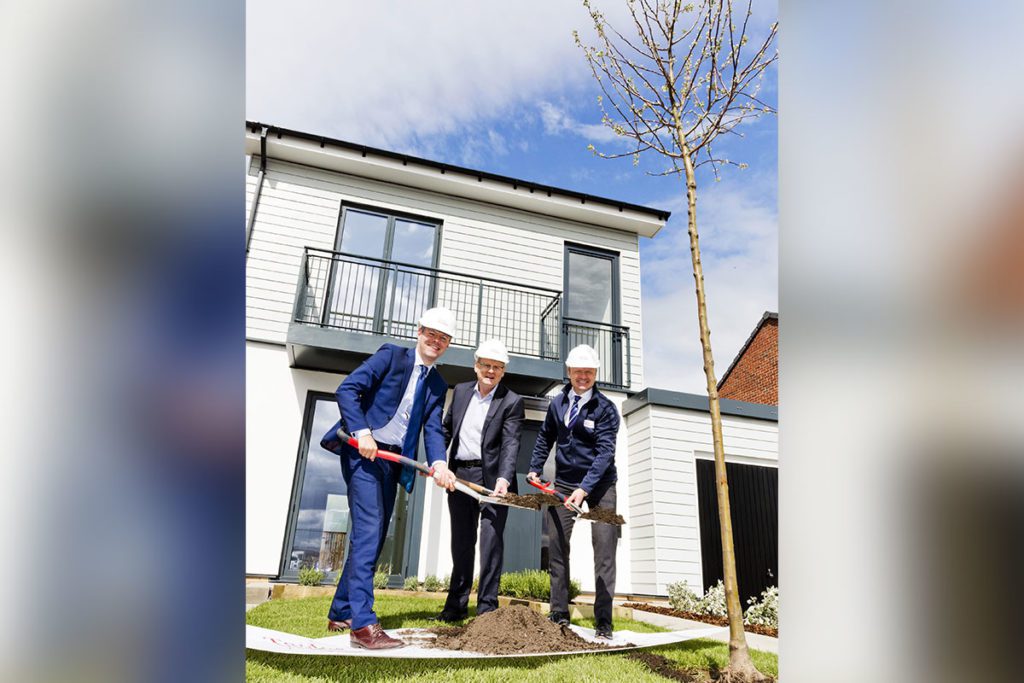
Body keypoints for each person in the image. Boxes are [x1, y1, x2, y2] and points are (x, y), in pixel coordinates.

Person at [318, 307, 458, 650]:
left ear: (448, 344)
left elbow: (434, 431)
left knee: (375, 535)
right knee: (368, 531)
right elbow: (347, 389)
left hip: (391, 461)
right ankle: (363, 625)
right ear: (419, 331)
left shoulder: (437, 383)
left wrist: (439, 463)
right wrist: (362, 431)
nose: (435, 341)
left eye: (443, 338)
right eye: (431, 334)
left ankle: (341, 611)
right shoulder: (391, 356)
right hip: (363, 451)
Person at [527, 344, 620, 640]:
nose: (583, 376)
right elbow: (545, 437)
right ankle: (559, 613)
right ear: (568, 372)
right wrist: (534, 466)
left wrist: (585, 489)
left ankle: (603, 622)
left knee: (604, 549)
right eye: (578, 371)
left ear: (595, 374)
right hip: (564, 485)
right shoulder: (558, 404)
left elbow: (606, 453)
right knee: (557, 547)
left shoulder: (606, 409)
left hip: (600, 486)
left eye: (588, 372)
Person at [433, 339, 525, 622]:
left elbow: (511, 444)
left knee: (490, 544)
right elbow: (446, 430)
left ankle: (486, 610)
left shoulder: (511, 401)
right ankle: (455, 608)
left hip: (493, 483)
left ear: (503, 371)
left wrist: (504, 480)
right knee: (461, 543)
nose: (491, 371)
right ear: (476, 366)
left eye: (497, 367)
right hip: (460, 477)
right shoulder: (460, 392)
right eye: (486, 365)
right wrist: (436, 462)